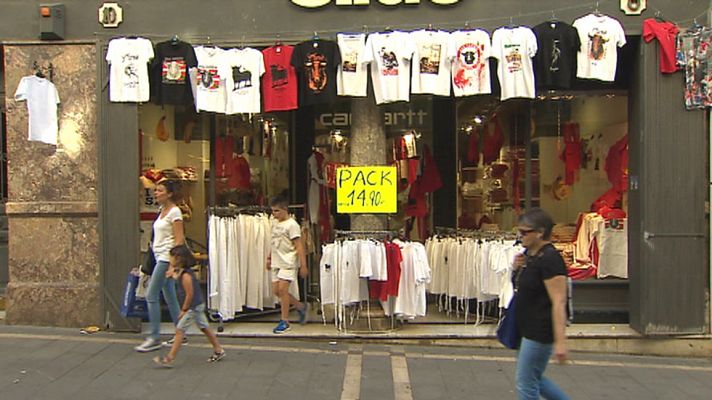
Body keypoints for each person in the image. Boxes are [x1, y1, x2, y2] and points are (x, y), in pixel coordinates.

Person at [512, 208, 570, 400]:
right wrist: (516, 268)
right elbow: (521, 287)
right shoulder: (530, 255)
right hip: (526, 328)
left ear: (540, 232)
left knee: (526, 383)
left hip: (539, 331)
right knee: (534, 377)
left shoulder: (550, 259)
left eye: (525, 232)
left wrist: (561, 343)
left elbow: (559, 301)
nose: (521, 236)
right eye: (519, 231)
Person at [154, 245, 225, 367]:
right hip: (197, 305)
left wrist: (183, 310)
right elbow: (176, 275)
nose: (169, 259)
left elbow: (189, 295)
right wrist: (172, 274)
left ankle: (169, 358)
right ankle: (218, 350)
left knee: (180, 329)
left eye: (171, 257)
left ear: (178, 258)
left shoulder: (186, 276)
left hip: (193, 307)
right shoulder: (181, 271)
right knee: (204, 327)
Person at [135, 180, 184, 352]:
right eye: (155, 190)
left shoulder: (175, 212)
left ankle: (154, 336)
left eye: (160, 190)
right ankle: (180, 332)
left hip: (166, 258)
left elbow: (179, 240)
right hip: (158, 256)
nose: (156, 193)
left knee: (151, 294)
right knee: (169, 295)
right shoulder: (161, 211)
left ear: (169, 193)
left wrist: (173, 264)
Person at [268, 195, 308, 334]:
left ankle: (284, 321)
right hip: (276, 260)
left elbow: (299, 245)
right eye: (273, 211)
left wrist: (303, 265)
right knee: (276, 291)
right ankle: (299, 306)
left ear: (285, 210)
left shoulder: (292, 225)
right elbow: (273, 241)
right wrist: (269, 257)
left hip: (288, 261)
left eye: (277, 211)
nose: (274, 214)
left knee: (283, 290)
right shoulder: (274, 223)